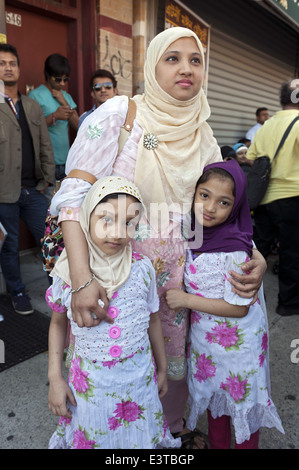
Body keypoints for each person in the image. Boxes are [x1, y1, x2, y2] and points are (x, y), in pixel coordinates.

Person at [50, 27, 266, 448]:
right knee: (112, 377)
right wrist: (81, 279)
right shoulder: (121, 115)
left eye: (196, 59)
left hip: (180, 288)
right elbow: (72, 198)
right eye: (172, 58)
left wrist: (254, 254)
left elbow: (220, 207)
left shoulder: (202, 129)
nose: (186, 68)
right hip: (114, 280)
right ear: (152, 65)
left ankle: (167, 432)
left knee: (171, 371)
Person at [46, 175, 180, 449]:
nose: (118, 232)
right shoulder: (69, 274)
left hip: (140, 384)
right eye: (107, 219)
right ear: (86, 217)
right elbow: (58, 324)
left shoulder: (142, 269)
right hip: (91, 394)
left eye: (129, 222)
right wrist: (55, 378)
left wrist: (163, 368)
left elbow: (153, 319)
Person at [165, 160, 284, 449]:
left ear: (237, 207)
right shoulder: (195, 233)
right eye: (204, 195)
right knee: (215, 404)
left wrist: (185, 300)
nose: (210, 207)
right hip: (207, 345)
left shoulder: (234, 247)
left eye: (224, 202)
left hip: (238, 348)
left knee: (241, 405)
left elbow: (239, 307)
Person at [0, 44, 55, 314]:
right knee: (8, 247)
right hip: (3, 192)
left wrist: (48, 182)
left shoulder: (32, 106)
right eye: (2, 63)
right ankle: (18, 292)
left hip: (34, 190)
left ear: (19, 69)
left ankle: (57, 289)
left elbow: (45, 146)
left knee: (50, 240)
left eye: (12, 63)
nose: (8, 67)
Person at [247, 80, 299, 316]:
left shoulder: (265, 126)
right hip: (293, 197)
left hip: (265, 199)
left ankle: (247, 295)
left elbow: (251, 158)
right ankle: (287, 304)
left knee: (259, 249)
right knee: (291, 253)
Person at [29, 53, 79, 191]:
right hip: (47, 163)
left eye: (65, 79)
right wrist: (54, 117)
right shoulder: (35, 95)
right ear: (47, 74)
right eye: (58, 79)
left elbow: (80, 126)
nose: (62, 83)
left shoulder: (65, 96)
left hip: (67, 160)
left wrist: (63, 102)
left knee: (65, 207)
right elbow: (31, 129)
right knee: (49, 206)